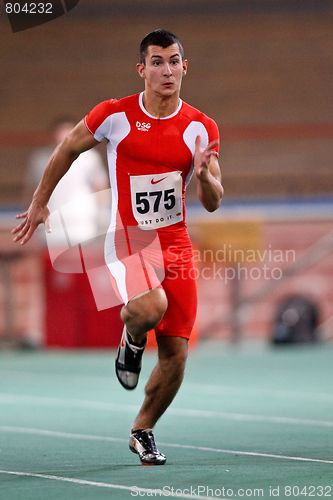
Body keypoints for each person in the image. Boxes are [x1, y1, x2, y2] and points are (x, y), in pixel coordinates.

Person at [12, 29, 223, 466]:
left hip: (176, 242)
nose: (167, 70)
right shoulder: (114, 115)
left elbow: (214, 201)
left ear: (185, 66)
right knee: (149, 307)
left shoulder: (201, 127)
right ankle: (131, 338)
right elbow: (67, 150)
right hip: (129, 237)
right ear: (141, 69)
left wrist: (204, 177)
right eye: (158, 62)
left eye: (174, 61)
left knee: (177, 354)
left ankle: (142, 430)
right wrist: (39, 203)